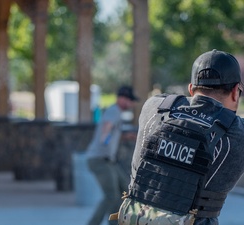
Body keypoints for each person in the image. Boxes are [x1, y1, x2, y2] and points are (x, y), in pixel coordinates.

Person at [111, 49, 244, 225]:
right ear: (236, 92)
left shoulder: (155, 107)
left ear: (191, 89)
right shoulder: (237, 132)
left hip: (135, 218)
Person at [86, 85, 138, 225]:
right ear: (122, 98)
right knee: (112, 196)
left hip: (109, 161)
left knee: (125, 189)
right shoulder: (114, 111)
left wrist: (125, 136)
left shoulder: (116, 112)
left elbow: (112, 132)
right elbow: (107, 129)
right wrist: (106, 137)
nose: (132, 104)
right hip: (99, 160)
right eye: (130, 100)